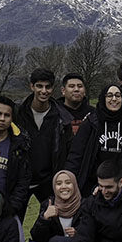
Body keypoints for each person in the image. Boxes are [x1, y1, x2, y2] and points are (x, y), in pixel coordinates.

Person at [12, 68, 73, 216]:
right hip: (20, 180)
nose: (44, 91)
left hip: (48, 182)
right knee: (13, 224)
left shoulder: (62, 119)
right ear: (31, 86)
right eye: (39, 86)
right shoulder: (17, 112)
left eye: (48, 87)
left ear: (53, 88)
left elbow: (69, 151)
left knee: (51, 223)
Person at [65, 84, 122, 196]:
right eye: (109, 95)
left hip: (119, 186)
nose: (114, 99)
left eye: (118, 96)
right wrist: (69, 180)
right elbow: (76, 154)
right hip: (90, 185)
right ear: (103, 98)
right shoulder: (91, 123)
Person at [24, 170, 84, 242]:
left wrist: (78, 234)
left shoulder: (84, 206)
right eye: (59, 184)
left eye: (68, 182)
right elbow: (36, 238)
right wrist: (45, 218)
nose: (63, 187)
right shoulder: (48, 204)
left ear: (75, 185)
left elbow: (93, 236)